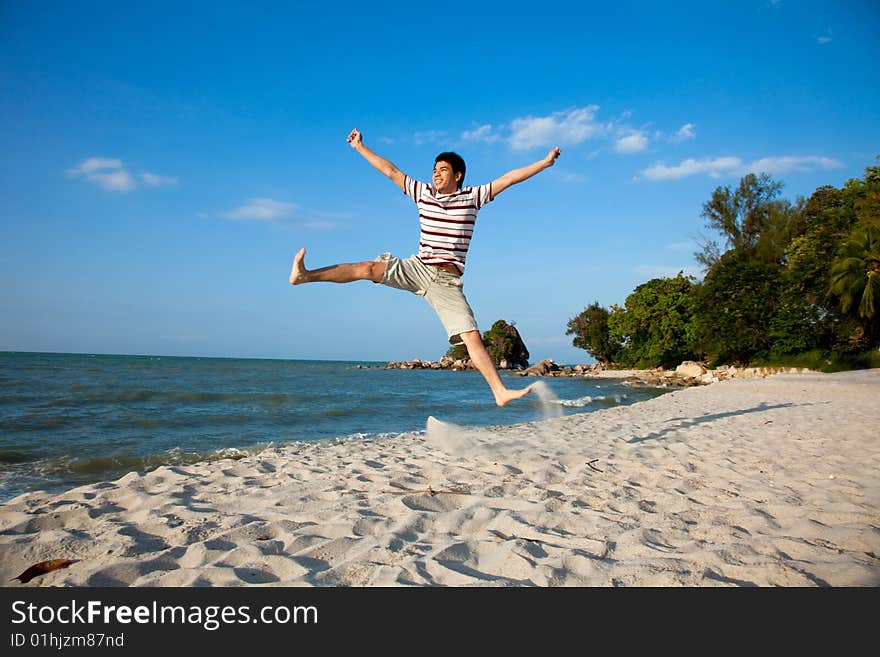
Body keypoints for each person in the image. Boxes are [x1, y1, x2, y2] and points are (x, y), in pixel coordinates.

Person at [290, 128, 561, 406]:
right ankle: (305, 275)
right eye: (434, 169)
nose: (436, 174)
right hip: (418, 267)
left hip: (446, 281)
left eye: (442, 169)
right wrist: (360, 147)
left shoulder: (473, 197)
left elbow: (510, 178)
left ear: (457, 175)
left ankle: (500, 392)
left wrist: (545, 162)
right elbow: (391, 171)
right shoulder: (423, 193)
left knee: (471, 335)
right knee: (368, 268)